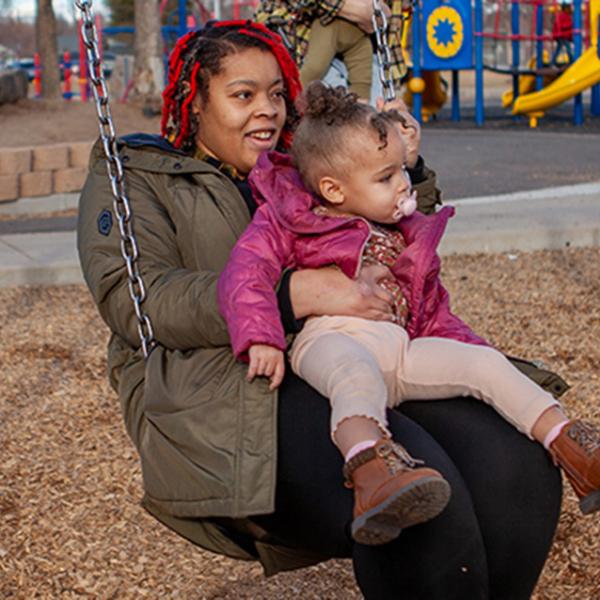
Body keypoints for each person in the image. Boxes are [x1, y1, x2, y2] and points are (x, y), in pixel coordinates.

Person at [78, 20, 564, 599]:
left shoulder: (298, 169)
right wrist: (294, 293)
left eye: (276, 94)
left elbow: (388, 221)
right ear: (195, 101)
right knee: (420, 496)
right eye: (242, 95)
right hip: (228, 384)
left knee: (517, 465)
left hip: (358, 352)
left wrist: (400, 161)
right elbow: (141, 301)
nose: (268, 110)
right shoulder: (138, 176)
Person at [218, 82, 600, 546]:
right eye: (386, 177)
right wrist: (260, 336)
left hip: (402, 347)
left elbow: (435, 310)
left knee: (483, 364)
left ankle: (572, 447)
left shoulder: (405, 236)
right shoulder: (290, 217)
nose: (403, 183)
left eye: (401, 169)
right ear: (333, 189)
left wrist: (471, 352)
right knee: (354, 376)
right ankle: (373, 474)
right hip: (331, 338)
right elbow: (245, 272)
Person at [254, 0, 406, 99]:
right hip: (310, 37)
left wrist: (378, 11)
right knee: (312, 75)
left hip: (367, 42)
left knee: (367, 104)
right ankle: (293, 100)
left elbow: (386, 12)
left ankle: (362, 112)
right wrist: (349, 7)